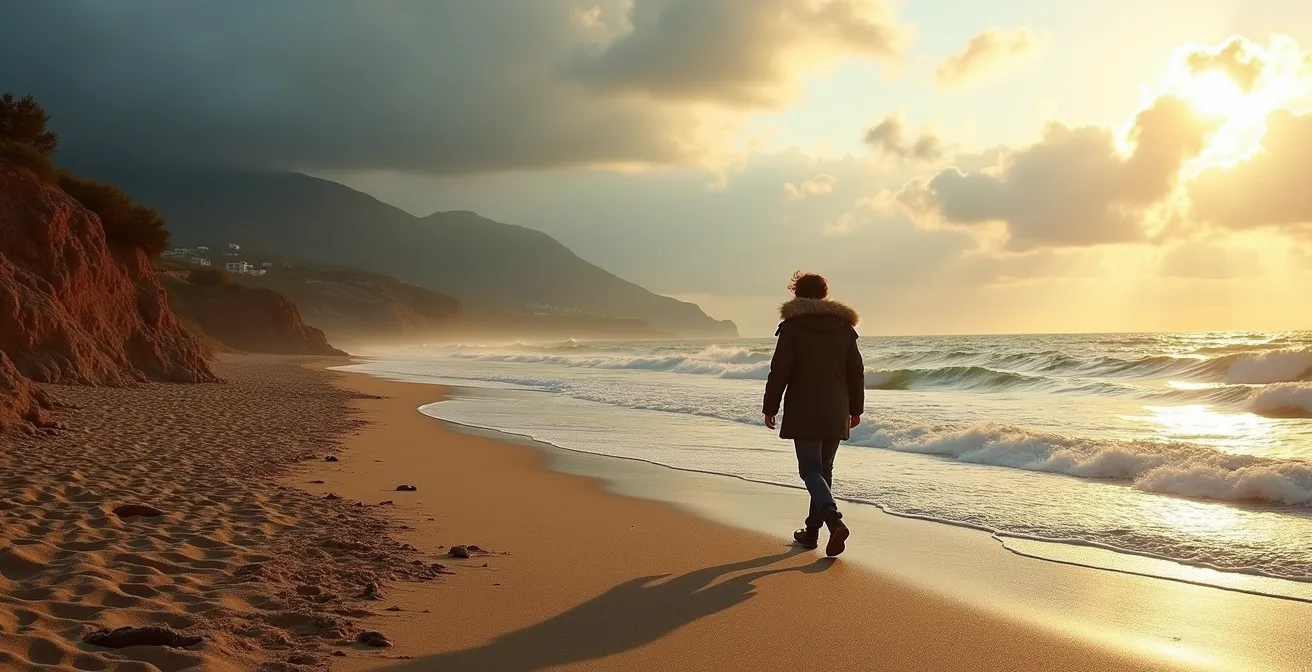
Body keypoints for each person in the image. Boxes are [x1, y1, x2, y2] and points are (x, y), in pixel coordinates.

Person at [762, 271, 863, 557]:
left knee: (810, 469)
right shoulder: (843, 327)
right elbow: (856, 371)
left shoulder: (793, 327)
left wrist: (771, 407)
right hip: (836, 408)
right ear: (824, 294)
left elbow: (779, 370)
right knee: (823, 470)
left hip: (804, 407)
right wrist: (856, 408)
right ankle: (812, 532)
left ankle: (833, 519)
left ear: (797, 294)